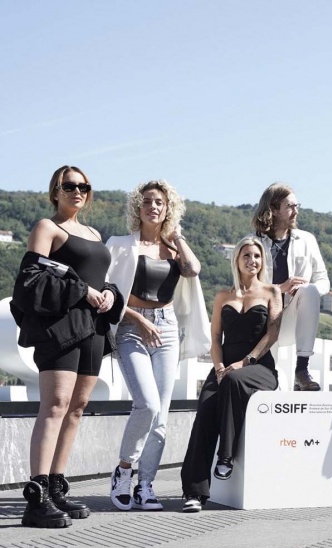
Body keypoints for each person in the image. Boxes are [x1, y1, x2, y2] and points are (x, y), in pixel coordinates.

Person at [11, 166, 123, 528]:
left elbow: (101, 278)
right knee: (55, 405)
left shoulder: (94, 233)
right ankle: (37, 497)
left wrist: (109, 293)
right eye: (70, 185)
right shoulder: (47, 228)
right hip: (59, 327)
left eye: (84, 186)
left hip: (93, 328)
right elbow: (29, 280)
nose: (78, 191)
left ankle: (57, 489)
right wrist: (81, 291)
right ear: (55, 191)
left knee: (77, 408)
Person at [105, 180, 211, 511]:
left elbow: (193, 270)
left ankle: (145, 485)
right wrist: (138, 319)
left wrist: (177, 237)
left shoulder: (174, 249)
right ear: (137, 207)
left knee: (161, 415)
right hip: (130, 326)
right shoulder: (120, 245)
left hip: (167, 327)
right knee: (147, 404)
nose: (153, 206)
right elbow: (108, 293)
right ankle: (124, 471)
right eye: (147, 201)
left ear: (168, 209)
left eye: (160, 203)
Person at [179, 236, 282, 512]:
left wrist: (245, 362)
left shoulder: (272, 292)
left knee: (235, 379)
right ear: (236, 259)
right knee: (205, 410)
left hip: (259, 367)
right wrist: (218, 368)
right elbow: (215, 337)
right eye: (246, 255)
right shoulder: (223, 296)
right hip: (224, 367)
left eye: (257, 256)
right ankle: (194, 493)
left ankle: (225, 457)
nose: (252, 261)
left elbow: (272, 334)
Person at [252, 183, 330, 391]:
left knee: (309, 290)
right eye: (290, 206)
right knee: (267, 384)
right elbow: (242, 290)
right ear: (273, 209)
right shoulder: (251, 244)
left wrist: (305, 290)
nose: (296, 211)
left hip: (293, 320)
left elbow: (323, 280)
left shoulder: (307, 240)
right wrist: (280, 288)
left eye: (297, 206)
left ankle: (302, 369)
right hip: (261, 322)